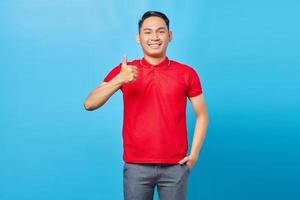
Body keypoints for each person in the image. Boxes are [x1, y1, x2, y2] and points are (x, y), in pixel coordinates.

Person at [84, 11, 208, 200]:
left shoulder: (186, 73)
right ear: (138, 38)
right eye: (148, 32)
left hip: (176, 166)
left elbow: (202, 115)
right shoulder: (124, 71)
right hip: (136, 166)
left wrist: (194, 155)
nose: (154, 37)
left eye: (160, 31)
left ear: (170, 36)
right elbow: (89, 103)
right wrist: (119, 80)